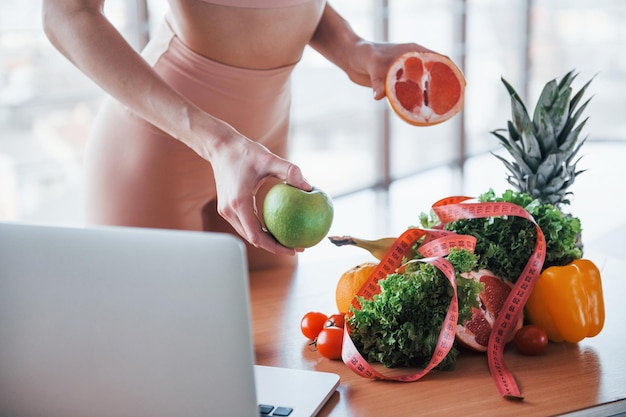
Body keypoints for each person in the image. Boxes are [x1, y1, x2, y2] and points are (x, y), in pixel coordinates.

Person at [42, 0, 432, 270]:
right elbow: (65, 14)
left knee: (276, 355)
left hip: (262, 144)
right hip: (159, 149)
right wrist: (218, 142)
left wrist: (351, 46)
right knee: (157, 362)